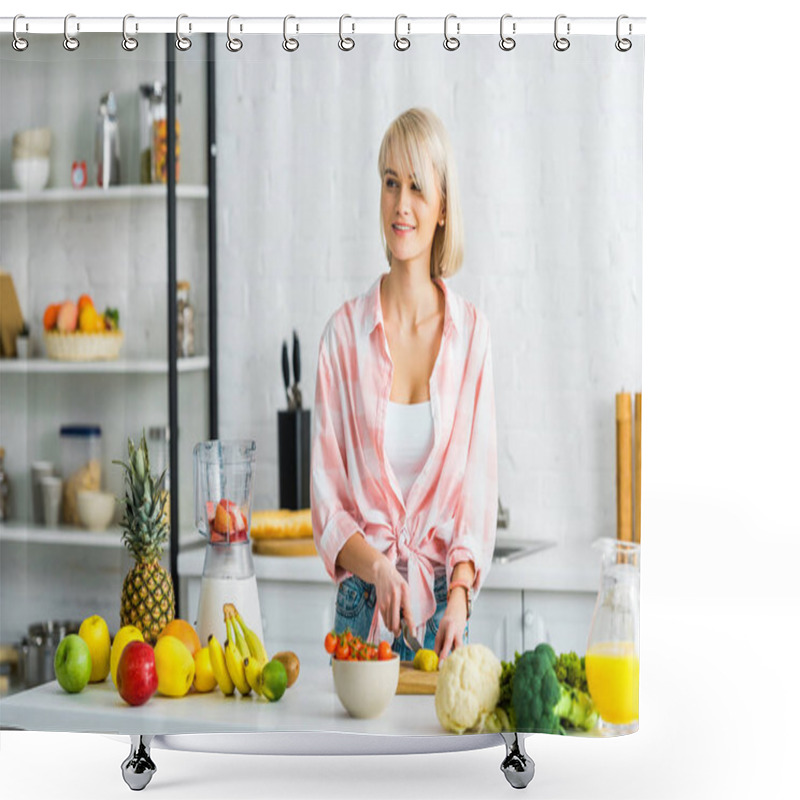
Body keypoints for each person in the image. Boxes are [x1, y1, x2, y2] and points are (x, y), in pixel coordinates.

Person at [311, 107, 497, 661]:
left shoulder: (472, 338)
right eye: (391, 183)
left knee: (444, 750)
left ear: (442, 207)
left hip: (445, 614)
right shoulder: (342, 337)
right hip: (361, 604)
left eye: (417, 186)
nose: (401, 204)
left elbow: (478, 494)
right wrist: (379, 570)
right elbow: (326, 500)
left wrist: (460, 598)